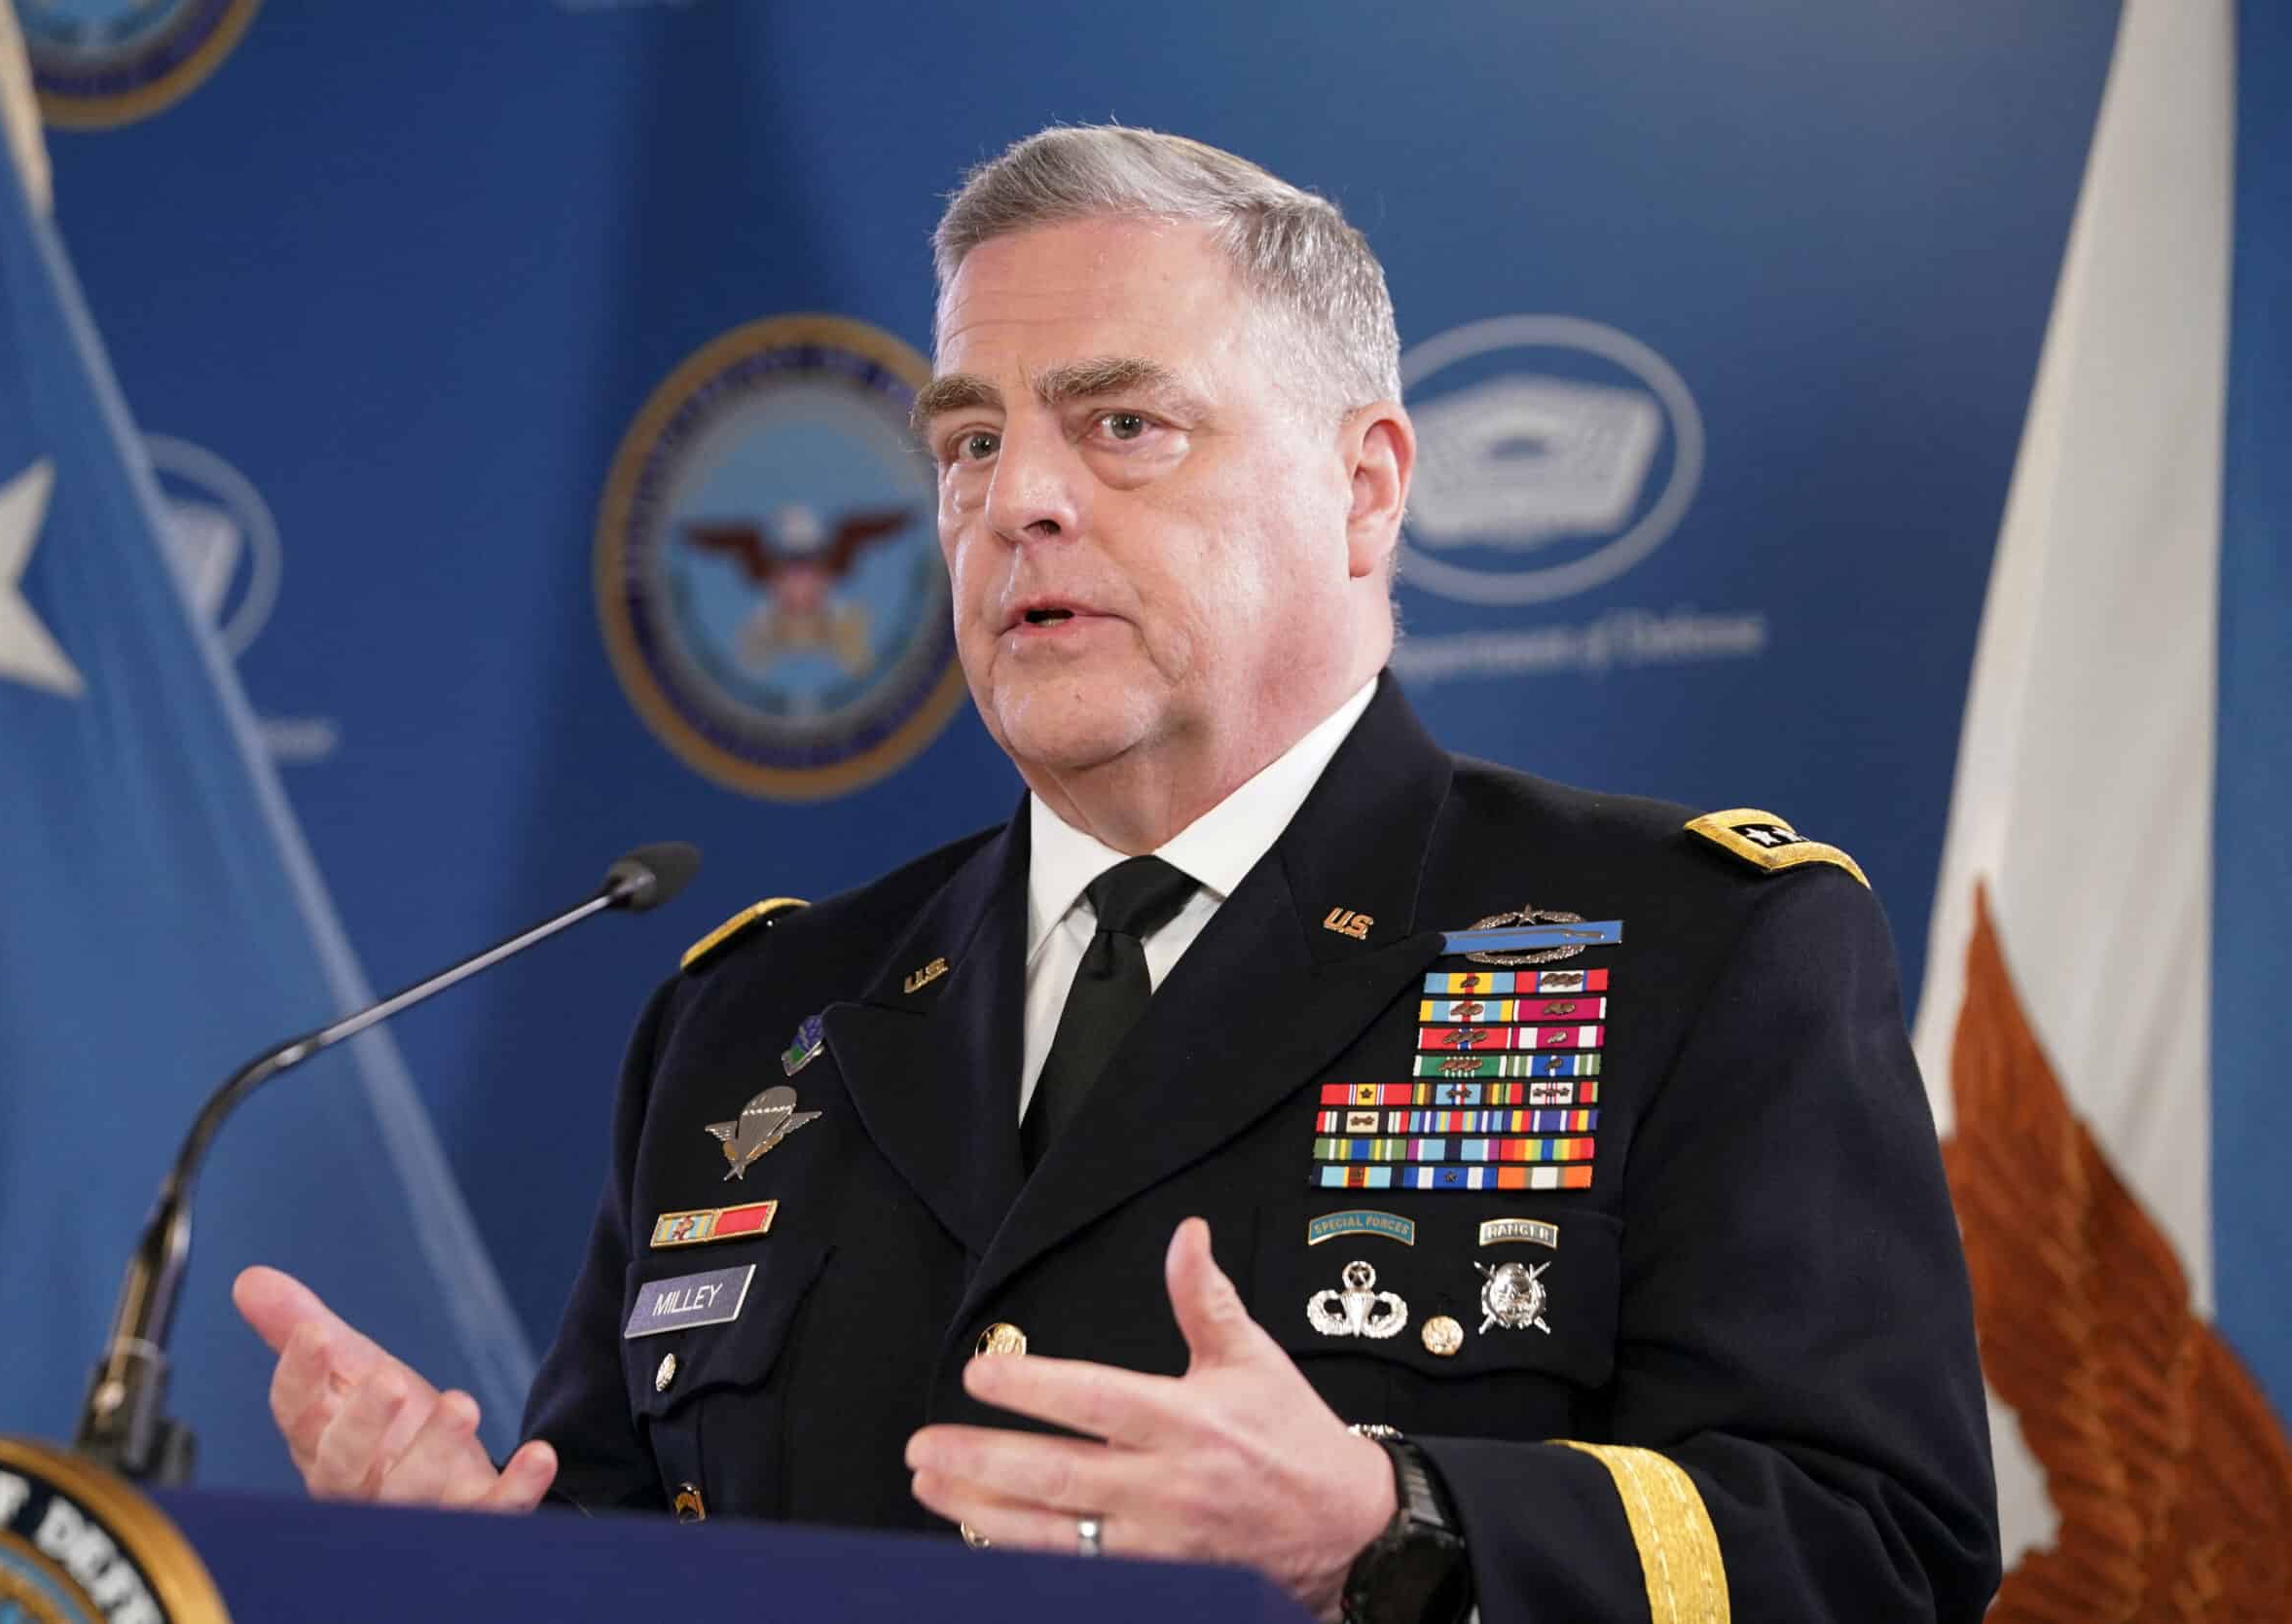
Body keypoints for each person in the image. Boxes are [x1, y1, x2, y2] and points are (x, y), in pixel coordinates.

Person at [234, 126, 1999, 1622]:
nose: (1019, 500)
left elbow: (1880, 1550)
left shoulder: (1695, 951)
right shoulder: (758, 1019)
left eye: (1124, 425)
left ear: (1366, 488)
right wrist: (481, 1570)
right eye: (970, 441)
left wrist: (1395, 1524)